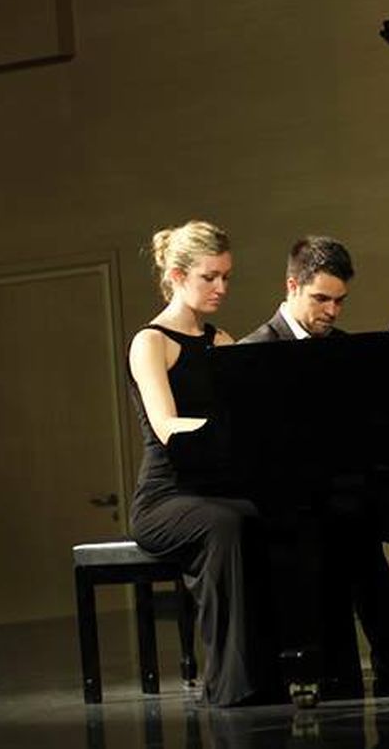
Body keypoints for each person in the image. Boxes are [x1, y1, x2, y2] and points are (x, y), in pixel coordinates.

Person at [240, 236, 389, 695]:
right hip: (283, 498)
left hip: (335, 491)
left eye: (340, 301)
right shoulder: (253, 351)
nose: (332, 312)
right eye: (321, 299)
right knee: (352, 527)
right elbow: (255, 449)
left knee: (377, 514)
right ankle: (388, 650)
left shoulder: (343, 348)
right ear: (291, 286)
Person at [126, 220, 283, 707]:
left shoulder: (223, 341)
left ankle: (281, 670)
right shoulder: (150, 342)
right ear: (176, 276)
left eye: (226, 277)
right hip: (165, 497)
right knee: (226, 524)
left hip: (213, 487)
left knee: (277, 515)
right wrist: (221, 431)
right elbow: (166, 424)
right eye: (210, 277)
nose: (222, 287)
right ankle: (229, 682)